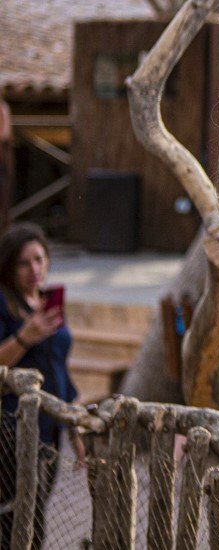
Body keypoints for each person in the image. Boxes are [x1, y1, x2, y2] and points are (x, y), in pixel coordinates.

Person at [0, 222, 82, 549]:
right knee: (13, 515)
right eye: (24, 263)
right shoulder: (4, 304)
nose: (34, 269)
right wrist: (25, 337)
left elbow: (59, 367)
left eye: (39, 259)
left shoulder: (47, 303)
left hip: (50, 428)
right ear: (9, 267)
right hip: (11, 428)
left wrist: (73, 425)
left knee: (37, 511)